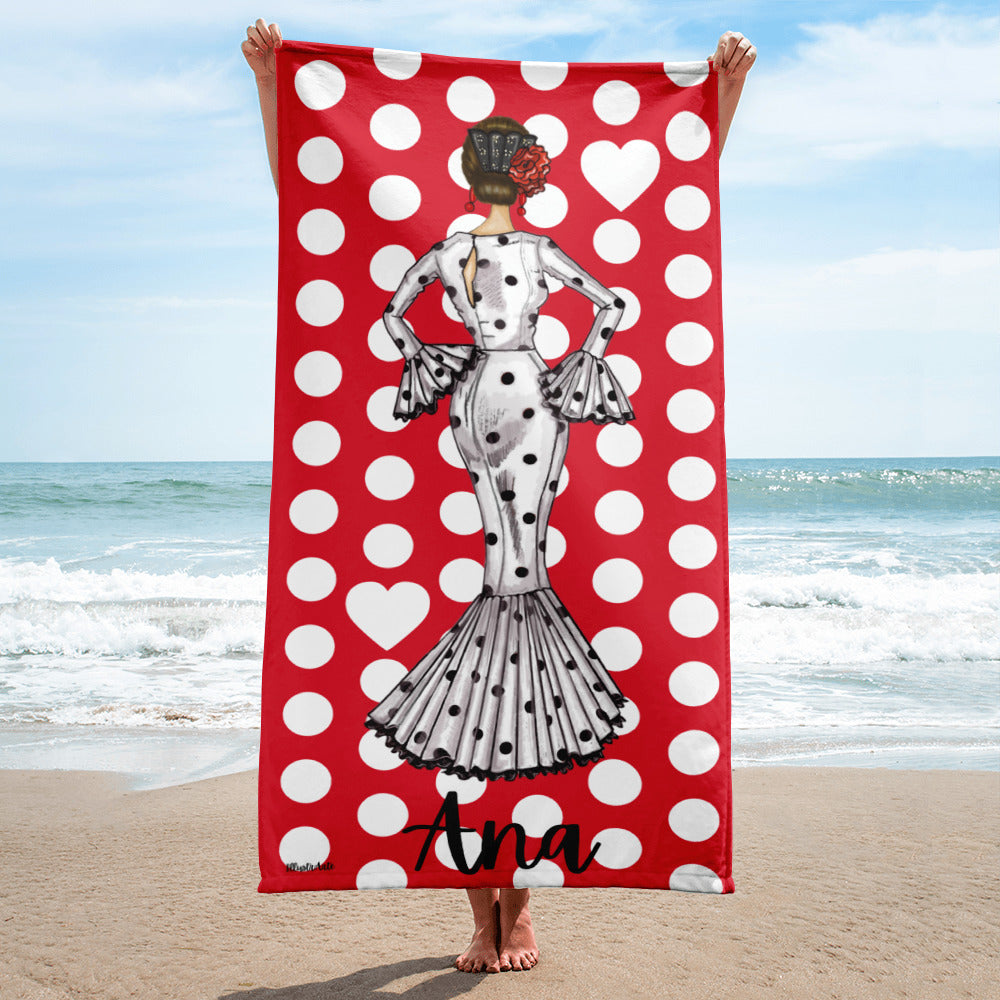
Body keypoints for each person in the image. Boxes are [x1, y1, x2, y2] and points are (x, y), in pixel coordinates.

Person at [242, 18, 754, 976]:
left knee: (499, 561)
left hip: (471, 397)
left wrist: (275, 91)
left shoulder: (441, 254)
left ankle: (503, 909)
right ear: (528, 177)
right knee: (521, 562)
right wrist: (585, 363)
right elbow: (626, 285)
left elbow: (350, 250)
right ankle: (496, 912)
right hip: (532, 394)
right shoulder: (542, 253)